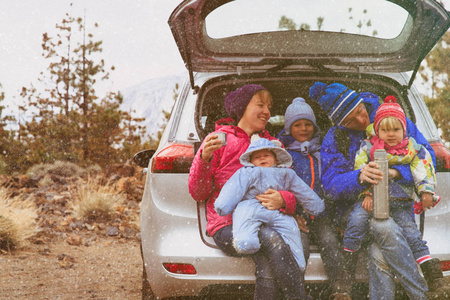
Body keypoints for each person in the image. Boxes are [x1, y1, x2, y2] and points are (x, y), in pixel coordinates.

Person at [309, 81, 438, 300]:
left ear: (361, 102)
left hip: (398, 205)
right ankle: (424, 292)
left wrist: (396, 172)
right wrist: (358, 177)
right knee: (383, 225)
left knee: (379, 252)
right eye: (351, 120)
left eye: (360, 110)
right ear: (339, 123)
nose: (361, 120)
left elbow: (426, 156)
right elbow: (329, 184)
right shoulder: (335, 137)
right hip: (356, 213)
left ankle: (344, 282)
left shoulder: (392, 119)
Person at [189, 84, 305, 300]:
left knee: (267, 262)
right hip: (228, 226)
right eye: (260, 105)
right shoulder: (217, 141)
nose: (267, 112)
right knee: (271, 239)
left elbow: (291, 187)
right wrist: (203, 159)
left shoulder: (273, 146)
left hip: (268, 220)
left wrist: (284, 200)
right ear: (242, 108)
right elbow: (198, 193)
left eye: (269, 107)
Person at [335, 95, 448, 298]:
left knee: (413, 235)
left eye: (396, 129)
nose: (391, 134)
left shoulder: (412, 148)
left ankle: (436, 281)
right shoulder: (368, 148)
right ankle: (345, 276)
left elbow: (424, 168)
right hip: (372, 200)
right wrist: (366, 193)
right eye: (385, 130)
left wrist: (425, 191)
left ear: (404, 129)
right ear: (377, 130)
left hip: (401, 202)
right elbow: (361, 171)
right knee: (356, 221)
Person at [214, 137, 324, 299]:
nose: (262, 158)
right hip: (252, 207)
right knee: (248, 219)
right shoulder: (247, 173)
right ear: (250, 161)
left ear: (276, 158)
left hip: (278, 212)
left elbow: (303, 192)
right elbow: (233, 189)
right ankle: (246, 241)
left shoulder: (287, 174)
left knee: (291, 230)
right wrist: (223, 206)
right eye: (257, 157)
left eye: (266, 155)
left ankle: (296, 263)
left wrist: (315, 206)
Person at [277, 97, 342, 299]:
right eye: (297, 125)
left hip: (322, 214)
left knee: (330, 242)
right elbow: (281, 188)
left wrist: (335, 215)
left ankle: (340, 289)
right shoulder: (284, 155)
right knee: (299, 249)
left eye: (308, 124)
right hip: (296, 216)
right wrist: (294, 213)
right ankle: (296, 293)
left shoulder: (321, 152)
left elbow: (330, 185)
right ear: (288, 128)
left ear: (314, 126)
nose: (303, 128)